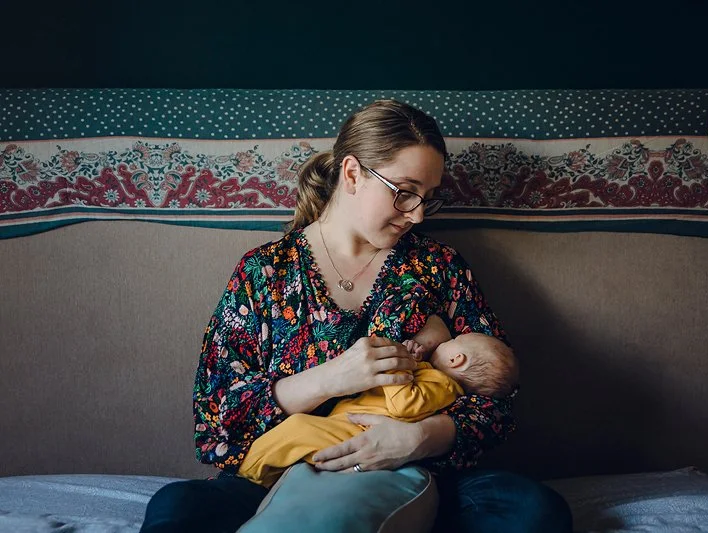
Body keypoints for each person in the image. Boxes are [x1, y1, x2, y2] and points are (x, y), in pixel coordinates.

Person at [140, 99, 572, 533]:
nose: (418, 214)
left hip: (422, 477)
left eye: (428, 198)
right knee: (178, 508)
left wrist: (421, 437)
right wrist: (331, 378)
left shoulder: (438, 266)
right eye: (405, 192)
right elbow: (216, 416)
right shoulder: (264, 272)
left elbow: (499, 395)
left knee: (532, 510)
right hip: (286, 472)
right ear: (352, 174)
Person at [237, 302, 520, 488]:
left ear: (457, 359)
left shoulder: (444, 385)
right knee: (297, 436)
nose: (417, 215)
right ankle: (256, 482)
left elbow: (404, 404)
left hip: (359, 433)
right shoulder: (435, 377)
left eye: (455, 340)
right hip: (346, 424)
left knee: (298, 431)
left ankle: (251, 477)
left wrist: (398, 364)